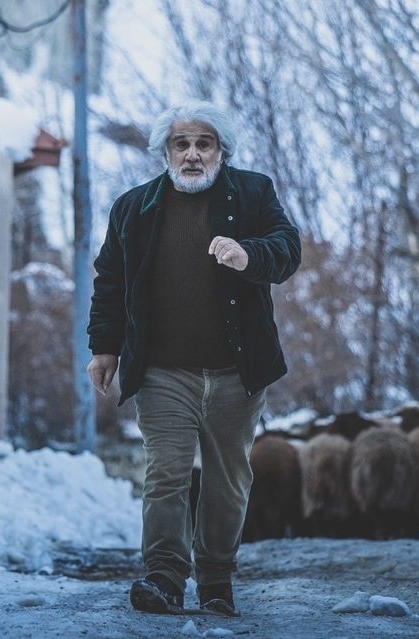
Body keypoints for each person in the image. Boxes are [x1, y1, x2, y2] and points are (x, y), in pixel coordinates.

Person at [86, 101, 301, 617]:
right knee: (166, 472)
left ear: (221, 151)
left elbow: (288, 247)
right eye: (181, 144)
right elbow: (110, 281)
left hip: (237, 371)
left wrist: (249, 256)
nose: (192, 154)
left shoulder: (253, 193)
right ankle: (163, 578)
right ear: (165, 152)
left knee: (228, 478)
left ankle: (216, 583)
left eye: (203, 144)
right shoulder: (133, 208)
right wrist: (104, 347)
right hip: (162, 372)